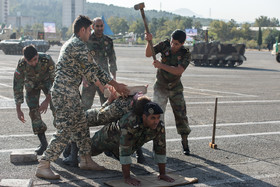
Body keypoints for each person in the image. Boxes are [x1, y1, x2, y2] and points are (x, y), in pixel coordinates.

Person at [35, 15, 129, 180]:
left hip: (68, 92)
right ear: (83, 30)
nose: (91, 34)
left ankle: (85, 159)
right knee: (65, 130)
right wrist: (114, 84)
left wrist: (109, 84)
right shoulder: (77, 45)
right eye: (90, 30)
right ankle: (44, 164)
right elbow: (93, 70)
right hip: (65, 93)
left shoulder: (72, 43)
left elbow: (92, 70)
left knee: (81, 123)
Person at [90, 99, 175, 186]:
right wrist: (127, 177)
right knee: (87, 152)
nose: (156, 121)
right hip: (106, 138)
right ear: (144, 117)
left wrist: (162, 174)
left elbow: (160, 148)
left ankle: (111, 152)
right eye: (153, 118)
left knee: (122, 156)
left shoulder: (159, 126)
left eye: (158, 117)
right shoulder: (130, 122)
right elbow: (125, 150)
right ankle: (76, 144)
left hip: (122, 145)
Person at [63, 88, 147, 167]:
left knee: (78, 120)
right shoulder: (142, 112)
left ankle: (72, 157)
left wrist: (109, 100)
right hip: (118, 128)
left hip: (100, 117)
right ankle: (140, 156)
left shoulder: (121, 105)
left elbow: (101, 115)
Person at [145, 29, 192, 155]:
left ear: (182, 44)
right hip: (160, 86)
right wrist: (148, 41)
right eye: (172, 42)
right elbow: (148, 53)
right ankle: (157, 144)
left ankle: (185, 142)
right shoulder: (164, 45)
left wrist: (161, 66)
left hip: (175, 88)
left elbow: (178, 71)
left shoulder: (185, 54)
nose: (172, 45)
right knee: (157, 116)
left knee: (181, 115)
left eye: (176, 44)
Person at [13, 45, 55, 156]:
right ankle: (43, 143)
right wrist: (18, 109)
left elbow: (55, 81)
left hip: (47, 83)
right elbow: (17, 86)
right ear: (25, 59)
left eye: (35, 59)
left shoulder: (47, 60)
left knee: (58, 108)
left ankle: (66, 142)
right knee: (33, 112)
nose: (34, 63)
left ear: (37, 55)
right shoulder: (21, 64)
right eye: (30, 61)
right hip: (32, 86)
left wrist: (47, 100)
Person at [82, 17, 117, 109]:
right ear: (93, 27)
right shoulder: (87, 40)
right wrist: (83, 77)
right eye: (97, 26)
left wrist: (114, 77)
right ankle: (83, 123)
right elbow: (82, 59)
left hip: (103, 77)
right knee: (85, 104)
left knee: (107, 102)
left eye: (101, 26)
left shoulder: (108, 41)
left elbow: (112, 59)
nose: (99, 28)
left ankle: (107, 123)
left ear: (103, 26)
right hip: (89, 76)